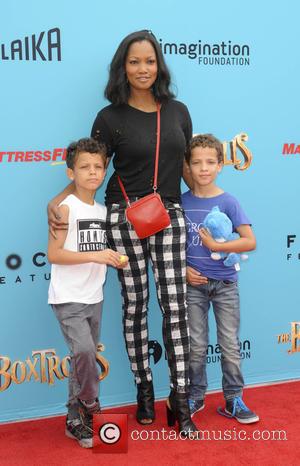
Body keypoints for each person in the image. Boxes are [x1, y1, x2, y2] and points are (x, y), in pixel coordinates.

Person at [48, 30, 198, 437]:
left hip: (168, 216)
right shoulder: (109, 118)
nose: (143, 69)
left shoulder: (179, 112)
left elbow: (186, 171)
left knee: (176, 308)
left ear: (159, 65)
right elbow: (89, 168)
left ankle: (180, 399)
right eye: (134, 62)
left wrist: (209, 200)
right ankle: (144, 390)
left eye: (149, 61)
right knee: (135, 307)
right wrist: (58, 199)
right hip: (124, 217)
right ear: (123, 67)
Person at [48, 137, 128, 448]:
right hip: (68, 296)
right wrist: (96, 255)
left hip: (95, 296)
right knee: (84, 352)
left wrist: (112, 255)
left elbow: (97, 247)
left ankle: (74, 419)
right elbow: (55, 254)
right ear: (71, 173)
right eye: (84, 167)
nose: (92, 172)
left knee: (81, 360)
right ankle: (91, 404)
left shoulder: (103, 209)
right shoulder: (64, 209)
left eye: (98, 167)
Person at [181, 133, 259, 424]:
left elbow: (249, 241)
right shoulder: (180, 202)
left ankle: (233, 399)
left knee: (229, 344)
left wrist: (218, 247)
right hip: (193, 287)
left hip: (226, 286)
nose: (203, 168)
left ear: (220, 165)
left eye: (210, 162)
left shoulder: (229, 201)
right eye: (197, 162)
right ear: (187, 166)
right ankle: (195, 395)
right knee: (196, 346)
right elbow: (171, 247)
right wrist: (183, 272)